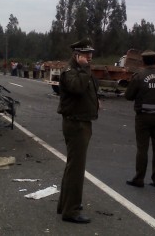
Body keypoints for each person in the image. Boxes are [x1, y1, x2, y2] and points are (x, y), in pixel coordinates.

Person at [56, 38, 99, 224]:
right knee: (76, 168)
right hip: (76, 124)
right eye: (86, 54)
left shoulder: (79, 71)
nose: (90, 57)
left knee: (73, 166)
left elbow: (89, 90)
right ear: (77, 55)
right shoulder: (71, 72)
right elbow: (78, 88)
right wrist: (84, 68)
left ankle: (65, 204)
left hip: (82, 121)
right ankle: (71, 211)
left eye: (91, 53)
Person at [124, 50, 155, 188]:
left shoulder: (139, 76)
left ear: (143, 62)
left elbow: (128, 96)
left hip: (143, 118)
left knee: (142, 149)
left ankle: (139, 179)